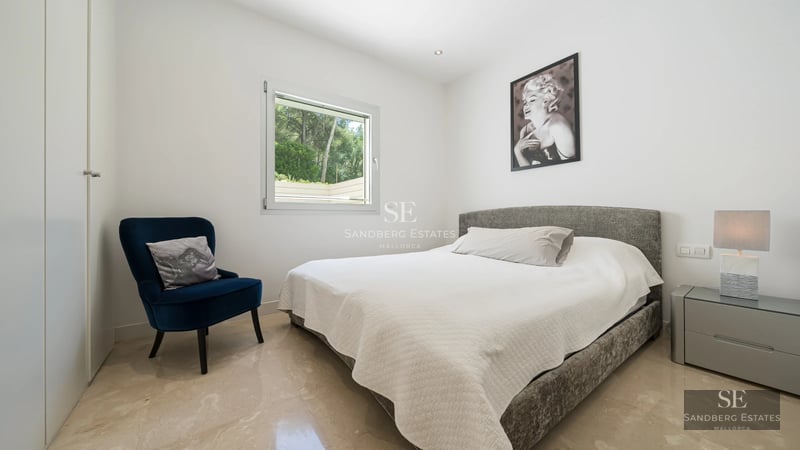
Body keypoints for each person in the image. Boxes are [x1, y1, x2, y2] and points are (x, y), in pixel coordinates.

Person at [513, 73, 576, 167]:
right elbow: (527, 171)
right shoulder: (525, 131)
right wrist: (517, 151)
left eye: (532, 100)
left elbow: (572, 167)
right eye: (525, 102)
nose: (526, 106)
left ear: (546, 101)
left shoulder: (558, 126)